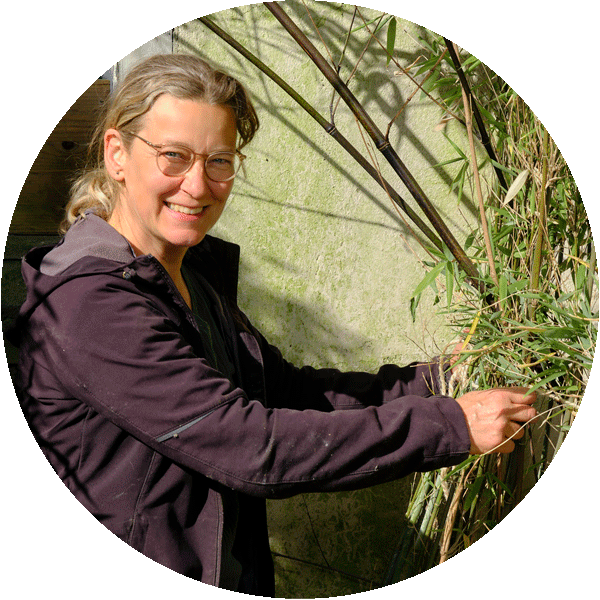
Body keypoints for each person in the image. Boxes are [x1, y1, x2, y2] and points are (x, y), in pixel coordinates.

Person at [10, 54, 537, 595]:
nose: (198, 185)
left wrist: (440, 380)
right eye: (174, 157)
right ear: (117, 154)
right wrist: (450, 426)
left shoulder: (190, 273)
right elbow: (251, 447)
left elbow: (285, 393)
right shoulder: (91, 303)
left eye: (219, 160)